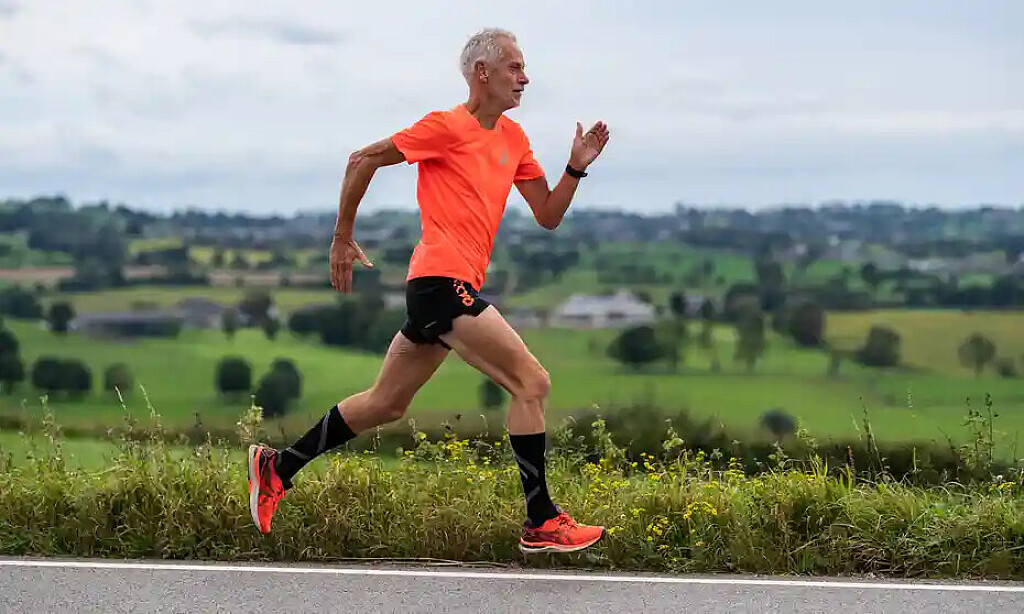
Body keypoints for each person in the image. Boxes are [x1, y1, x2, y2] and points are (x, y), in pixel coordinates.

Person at [247, 27, 610, 554]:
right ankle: (541, 520)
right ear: (481, 73)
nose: (525, 78)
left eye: (524, 68)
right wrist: (342, 237)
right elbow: (361, 159)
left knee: (386, 403)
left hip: (439, 288)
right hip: (441, 283)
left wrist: (576, 166)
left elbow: (548, 214)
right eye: (514, 67)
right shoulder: (445, 126)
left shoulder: (514, 139)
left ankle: (277, 468)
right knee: (531, 383)